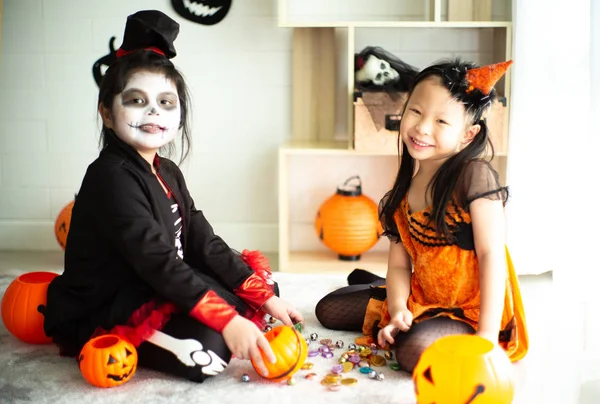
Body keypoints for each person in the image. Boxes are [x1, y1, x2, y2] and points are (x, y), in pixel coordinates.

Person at [42, 10, 303, 383]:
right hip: (115, 298)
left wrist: (264, 297)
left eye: (166, 102)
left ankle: (228, 314)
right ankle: (126, 336)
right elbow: (156, 261)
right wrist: (226, 321)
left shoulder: (167, 170)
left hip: (160, 280)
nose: (153, 111)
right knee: (212, 352)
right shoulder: (109, 177)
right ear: (107, 113)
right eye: (136, 100)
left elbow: (202, 241)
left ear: (179, 116)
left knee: (260, 292)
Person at [315, 58, 528, 372]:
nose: (422, 128)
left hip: (470, 308)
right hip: (422, 296)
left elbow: (491, 255)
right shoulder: (401, 194)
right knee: (327, 311)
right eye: (415, 111)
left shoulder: (474, 177)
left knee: (413, 350)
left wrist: (485, 336)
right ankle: (378, 288)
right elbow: (400, 266)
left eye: (441, 122)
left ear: (468, 135)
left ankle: (395, 302)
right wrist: (399, 308)